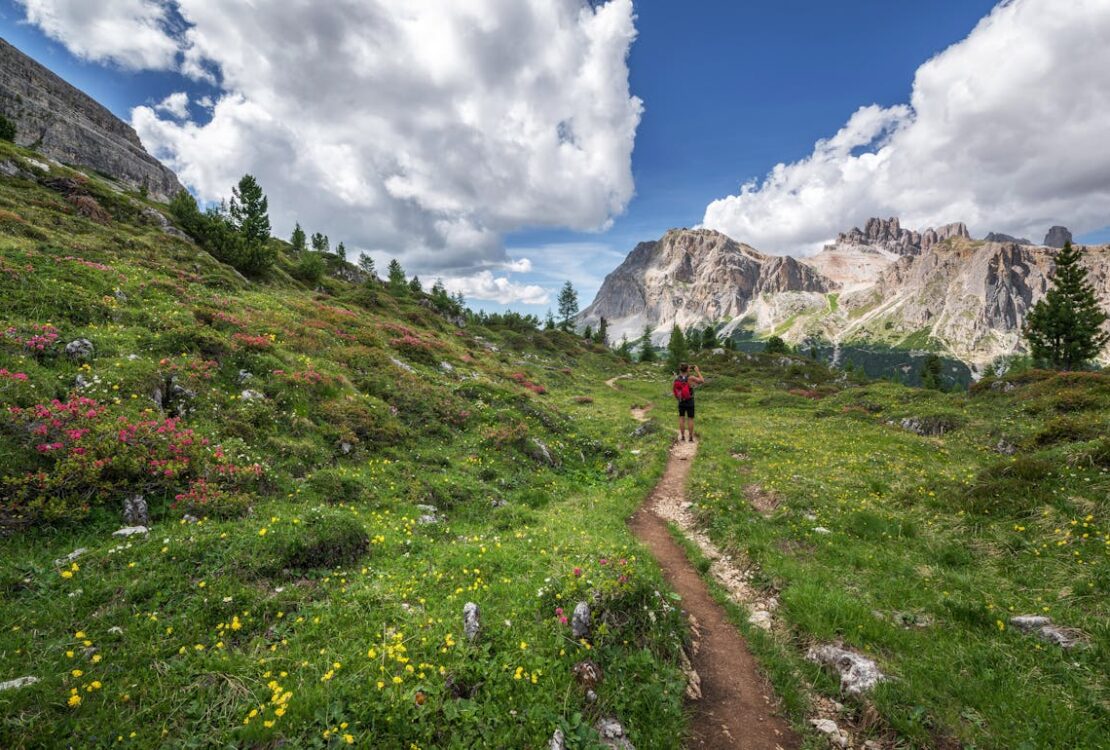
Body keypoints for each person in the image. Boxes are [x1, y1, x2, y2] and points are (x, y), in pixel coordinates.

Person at [673, 363, 704, 442]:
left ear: (680, 369)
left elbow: (675, 390)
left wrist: (678, 398)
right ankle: (690, 437)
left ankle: (682, 436)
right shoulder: (690, 378)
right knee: (690, 419)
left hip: (681, 401)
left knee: (681, 418)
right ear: (687, 370)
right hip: (690, 401)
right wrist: (697, 371)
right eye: (689, 368)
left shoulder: (677, 379)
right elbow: (702, 381)